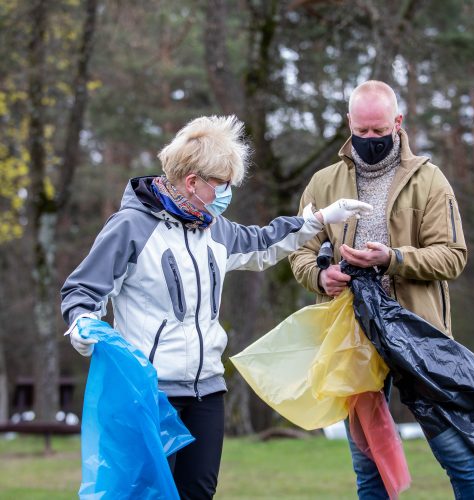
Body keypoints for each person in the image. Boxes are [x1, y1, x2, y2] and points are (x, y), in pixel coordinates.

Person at [61, 115, 372, 500]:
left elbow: (263, 244)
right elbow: (82, 292)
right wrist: (82, 324)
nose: (228, 194)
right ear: (193, 182)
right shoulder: (130, 227)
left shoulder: (214, 227)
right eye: (223, 185)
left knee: (199, 493)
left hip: (207, 390)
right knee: (144, 495)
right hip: (149, 393)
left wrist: (320, 220)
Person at [289, 81, 474, 499]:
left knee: (461, 458)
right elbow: (299, 251)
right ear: (349, 123)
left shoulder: (430, 180)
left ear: (397, 123)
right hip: (352, 340)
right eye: (361, 132)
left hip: (420, 338)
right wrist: (320, 275)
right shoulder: (322, 183)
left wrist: (392, 258)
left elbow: (453, 256)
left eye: (378, 131)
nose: (369, 140)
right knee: (370, 468)